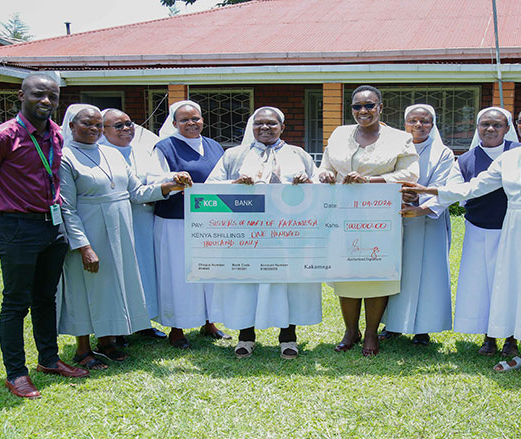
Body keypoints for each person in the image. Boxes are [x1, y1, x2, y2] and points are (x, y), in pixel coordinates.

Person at [402, 102, 521, 385]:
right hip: (514, 227)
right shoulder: (510, 158)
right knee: (517, 288)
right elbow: (475, 186)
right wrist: (430, 190)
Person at [0, 74, 89, 399]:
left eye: (52, 96)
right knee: (16, 303)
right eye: (39, 94)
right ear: (21, 95)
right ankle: (16, 373)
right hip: (17, 226)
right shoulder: (0, 137)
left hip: (53, 226)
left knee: (46, 298)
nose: (46, 101)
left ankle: (49, 360)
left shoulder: (57, 134)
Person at [56, 104, 191, 369]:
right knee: (84, 288)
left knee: (112, 285)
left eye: (97, 125)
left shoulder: (111, 154)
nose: (93, 129)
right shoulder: (65, 158)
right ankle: (83, 349)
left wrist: (172, 186)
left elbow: (137, 192)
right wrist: (83, 246)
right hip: (89, 229)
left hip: (119, 229)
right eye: (87, 124)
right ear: (71, 126)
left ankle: (107, 342)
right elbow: (66, 208)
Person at [206, 106, 322, 359]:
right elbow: (211, 188)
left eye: (271, 124)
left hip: (289, 233)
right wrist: (234, 185)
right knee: (246, 283)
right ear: (252, 127)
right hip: (246, 233)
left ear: (282, 127)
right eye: (259, 124)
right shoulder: (234, 155)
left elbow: (320, 187)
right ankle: (246, 337)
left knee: (287, 283)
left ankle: (288, 338)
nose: (265, 128)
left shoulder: (298, 154)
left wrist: (309, 183)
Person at [318, 85, 419, 356]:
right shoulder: (339, 134)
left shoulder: (399, 138)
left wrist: (372, 180)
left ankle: (372, 333)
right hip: (342, 214)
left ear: (381, 107)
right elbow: (326, 165)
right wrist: (325, 174)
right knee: (346, 273)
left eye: (369, 105)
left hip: (380, 217)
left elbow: (411, 172)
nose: (363, 111)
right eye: (357, 106)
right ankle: (351, 330)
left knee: (377, 272)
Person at [153, 100, 229, 349]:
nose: (191, 123)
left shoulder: (215, 146)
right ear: (174, 124)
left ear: (203, 120)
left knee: (209, 272)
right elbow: (155, 180)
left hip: (209, 221)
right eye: (184, 120)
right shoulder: (164, 148)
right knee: (179, 275)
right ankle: (177, 327)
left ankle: (209, 322)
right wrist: (174, 181)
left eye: (195, 118)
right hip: (176, 221)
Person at [381, 104, 458, 345]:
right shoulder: (392, 149)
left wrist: (420, 205)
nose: (418, 125)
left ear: (433, 125)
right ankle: (392, 324)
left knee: (427, 275)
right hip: (395, 219)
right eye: (413, 120)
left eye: (425, 121)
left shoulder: (442, 153)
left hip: (427, 222)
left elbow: (445, 185)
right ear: (405, 124)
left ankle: (423, 328)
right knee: (395, 272)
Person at [454, 107, 521, 357]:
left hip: (513, 230)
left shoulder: (519, 153)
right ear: (477, 127)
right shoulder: (465, 159)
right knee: (484, 286)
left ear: (507, 128)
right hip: (478, 230)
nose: (490, 129)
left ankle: (513, 339)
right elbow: (458, 193)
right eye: (485, 124)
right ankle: (489, 336)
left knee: (511, 284)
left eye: (497, 124)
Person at [100, 108, 169, 342]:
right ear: (103, 130)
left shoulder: (142, 152)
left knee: (145, 271)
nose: (126, 129)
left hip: (144, 220)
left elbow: (156, 179)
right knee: (120, 272)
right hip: (117, 221)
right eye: (118, 126)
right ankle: (119, 328)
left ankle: (143, 322)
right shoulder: (100, 155)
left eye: (129, 123)